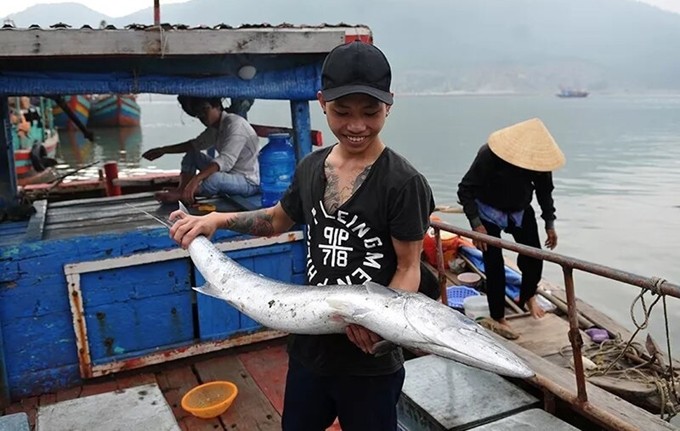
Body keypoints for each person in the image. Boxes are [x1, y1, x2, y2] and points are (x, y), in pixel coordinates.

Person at [169, 40, 434, 431]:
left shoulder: (403, 182)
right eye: (342, 112)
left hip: (368, 360)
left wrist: (380, 326)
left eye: (371, 112)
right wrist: (216, 222)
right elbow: (277, 219)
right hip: (309, 346)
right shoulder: (311, 166)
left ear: (389, 104)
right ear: (322, 101)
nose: (356, 126)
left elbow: (410, 268)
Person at [457, 118, 565, 339]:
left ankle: (527, 295)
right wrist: (476, 225)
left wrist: (549, 223)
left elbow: (545, 193)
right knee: (493, 263)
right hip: (488, 211)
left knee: (534, 258)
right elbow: (465, 190)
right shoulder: (490, 154)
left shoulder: (539, 162)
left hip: (519, 210)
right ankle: (499, 316)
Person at [142, 96, 260, 204]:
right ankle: (182, 189)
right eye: (198, 113)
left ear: (217, 106)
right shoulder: (216, 127)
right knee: (192, 155)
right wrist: (163, 150)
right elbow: (194, 145)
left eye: (205, 109)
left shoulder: (235, 124)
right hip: (228, 174)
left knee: (215, 178)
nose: (202, 115)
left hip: (247, 181)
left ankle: (185, 194)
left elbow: (225, 160)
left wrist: (196, 179)